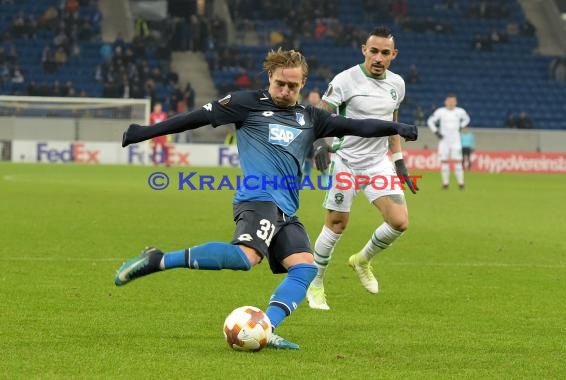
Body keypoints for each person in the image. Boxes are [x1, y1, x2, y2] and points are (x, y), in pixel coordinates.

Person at [115, 48, 418, 350]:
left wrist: (396, 128)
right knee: (246, 258)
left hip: (285, 208)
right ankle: (159, 260)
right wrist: (145, 133)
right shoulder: (245, 103)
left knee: (305, 267)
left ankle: (266, 327)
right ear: (270, 77)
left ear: (303, 84)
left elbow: (357, 126)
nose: (285, 91)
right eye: (280, 84)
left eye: (293, 86)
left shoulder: (310, 117)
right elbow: (194, 119)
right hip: (258, 197)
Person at [306, 26, 419, 311]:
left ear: (393, 55)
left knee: (399, 222)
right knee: (337, 224)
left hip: (377, 164)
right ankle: (316, 283)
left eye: (385, 53)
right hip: (346, 161)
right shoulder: (346, 80)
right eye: (373, 51)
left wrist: (399, 161)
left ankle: (362, 260)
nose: (378, 57)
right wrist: (320, 143)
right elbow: (321, 115)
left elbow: (393, 124)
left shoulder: (397, 84)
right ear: (363, 50)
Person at [427, 93, 470, 190]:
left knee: (458, 162)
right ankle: (445, 184)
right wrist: (436, 132)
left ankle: (461, 184)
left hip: (456, 141)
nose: (451, 103)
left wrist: (461, 126)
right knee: (444, 162)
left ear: (456, 102)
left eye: (453, 101)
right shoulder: (440, 112)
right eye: (449, 101)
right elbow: (430, 121)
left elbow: (467, 119)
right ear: (445, 102)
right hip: (444, 141)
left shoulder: (460, 111)